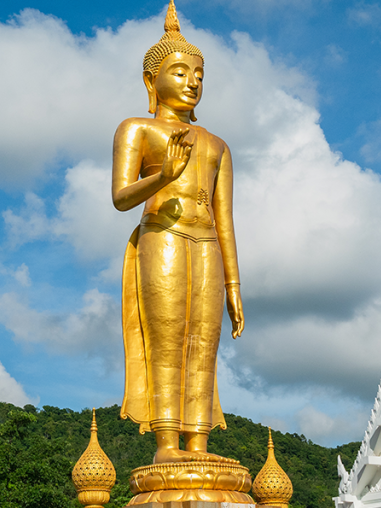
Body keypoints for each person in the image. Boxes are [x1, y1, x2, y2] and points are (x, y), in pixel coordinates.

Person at [113, 0, 244, 465]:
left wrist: (234, 285)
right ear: (152, 80)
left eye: (200, 74)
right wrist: (162, 176)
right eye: (180, 71)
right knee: (168, 341)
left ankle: (199, 444)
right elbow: (121, 198)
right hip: (162, 235)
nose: (192, 82)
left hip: (206, 242)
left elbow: (225, 219)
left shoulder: (216, 144)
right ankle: (167, 443)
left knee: (203, 343)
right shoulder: (137, 130)